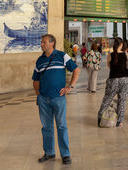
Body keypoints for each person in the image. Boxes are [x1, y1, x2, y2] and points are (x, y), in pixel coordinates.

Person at [32, 34, 80, 164]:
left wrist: (70, 86)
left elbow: (76, 69)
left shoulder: (62, 55)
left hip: (58, 98)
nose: (42, 44)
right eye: (42, 42)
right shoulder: (39, 60)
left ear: (52, 43)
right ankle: (49, 153)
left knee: (61, 126)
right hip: (43, 99)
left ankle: (65, 154)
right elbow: (35, 80)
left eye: (44, 42)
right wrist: (39, 95)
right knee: (46, 127)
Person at [98, 37, 128, 127]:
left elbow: (109, 66)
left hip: (113, 80)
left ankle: (100, 118)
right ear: (121, 44)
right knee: (122, 101)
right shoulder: (125, 54)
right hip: (124, 80)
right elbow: (127, 66)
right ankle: (119, 121)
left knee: (107, 99)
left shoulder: (110, 55)